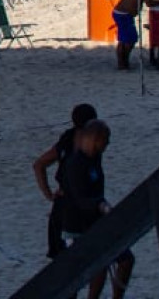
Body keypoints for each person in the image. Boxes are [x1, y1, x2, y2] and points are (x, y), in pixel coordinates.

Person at [58, 120, 134, 299]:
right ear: (95, 139)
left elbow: (96, 191)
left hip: (97, 222)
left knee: (126, 259)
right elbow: (79, 200)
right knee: (98, 266)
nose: (108, 143)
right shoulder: (75, 164)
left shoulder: (96, 158)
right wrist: (100, 205)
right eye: (106, 139)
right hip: (76, 228)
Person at [33, 103, 99, 259]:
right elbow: (38, 165)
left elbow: (39, 165)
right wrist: (50, 195)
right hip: (74, 211)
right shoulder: (90, 144)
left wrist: (49, 194)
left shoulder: (68, 138)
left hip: (62, 207)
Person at [112, 0, 159, 71]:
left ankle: (123, 63)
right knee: (130, 39)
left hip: (122, 14)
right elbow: (149, 3)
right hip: (123, 14)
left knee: (124, 40)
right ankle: (123, 63)